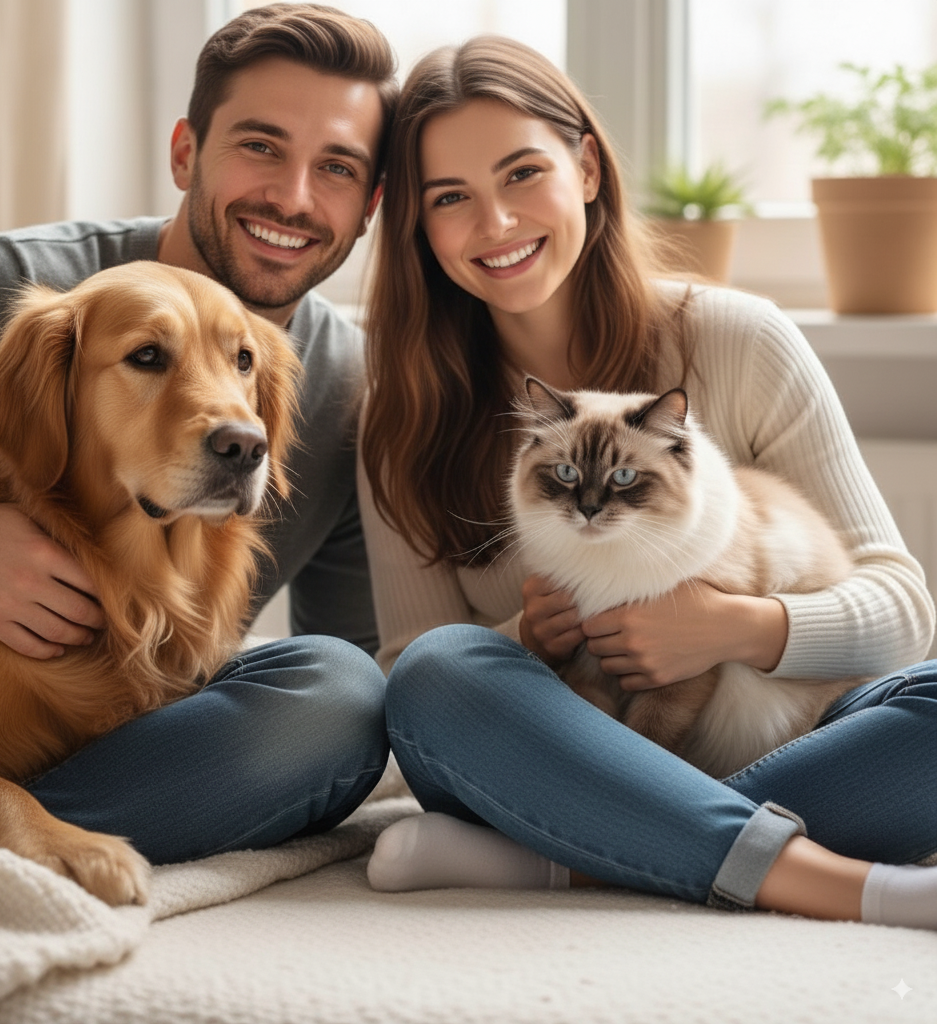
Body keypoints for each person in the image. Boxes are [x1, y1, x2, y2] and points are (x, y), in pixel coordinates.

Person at [357, 35, 937, 931]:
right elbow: (409, 680)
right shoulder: (405, 416)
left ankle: (568, 858)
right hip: (559, 752)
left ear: (587, 168)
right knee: (441, 674)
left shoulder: (739, 340)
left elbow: (904, 611)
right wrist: (528, 639)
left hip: (758, 745)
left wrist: (735, 626)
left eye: (522, 174)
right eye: (450, 198)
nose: (496, 222)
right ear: (418, 225)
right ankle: (828, 880)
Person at [0, 4, 398, 865]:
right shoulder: (4, 287)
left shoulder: (349, 392)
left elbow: (349, 658)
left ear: (370, 204)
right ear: (185, 153)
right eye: (261, 145)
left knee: (341, 697)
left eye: (336, 167)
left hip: (148, 712)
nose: (293, 197)